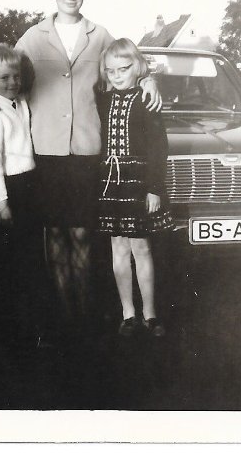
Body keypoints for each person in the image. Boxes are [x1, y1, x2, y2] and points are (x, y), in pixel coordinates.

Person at [0, 0, 162, 337]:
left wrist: (149, 80)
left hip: (87, 151)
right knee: (55, 235)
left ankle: (85, 314)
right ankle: (63, 317)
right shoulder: (32, 38)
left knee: (81, 233)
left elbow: (127, 64)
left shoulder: (101, 35)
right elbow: (4, 74)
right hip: (45, 152)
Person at [97, 38, 174, 337]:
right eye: (110, 70)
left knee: (141, 247)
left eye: (124, 69)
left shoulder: (146, 98)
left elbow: (158, 147)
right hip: (111, 183)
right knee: (118, 247)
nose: (116, 76)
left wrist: (154, 187)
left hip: (139, 183)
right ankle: (127, 313)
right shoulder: (103, 99)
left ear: (137, 67)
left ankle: (149, 314)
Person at [0, 43, 43, 342]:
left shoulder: (19, 102)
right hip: (8, 190)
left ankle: (30, 324)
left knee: (29, 257)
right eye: (4, 78)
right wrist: (2, 203)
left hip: (29, 186)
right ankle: (10, 329)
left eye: (16, 76)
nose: (13, 82)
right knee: (9, 260)